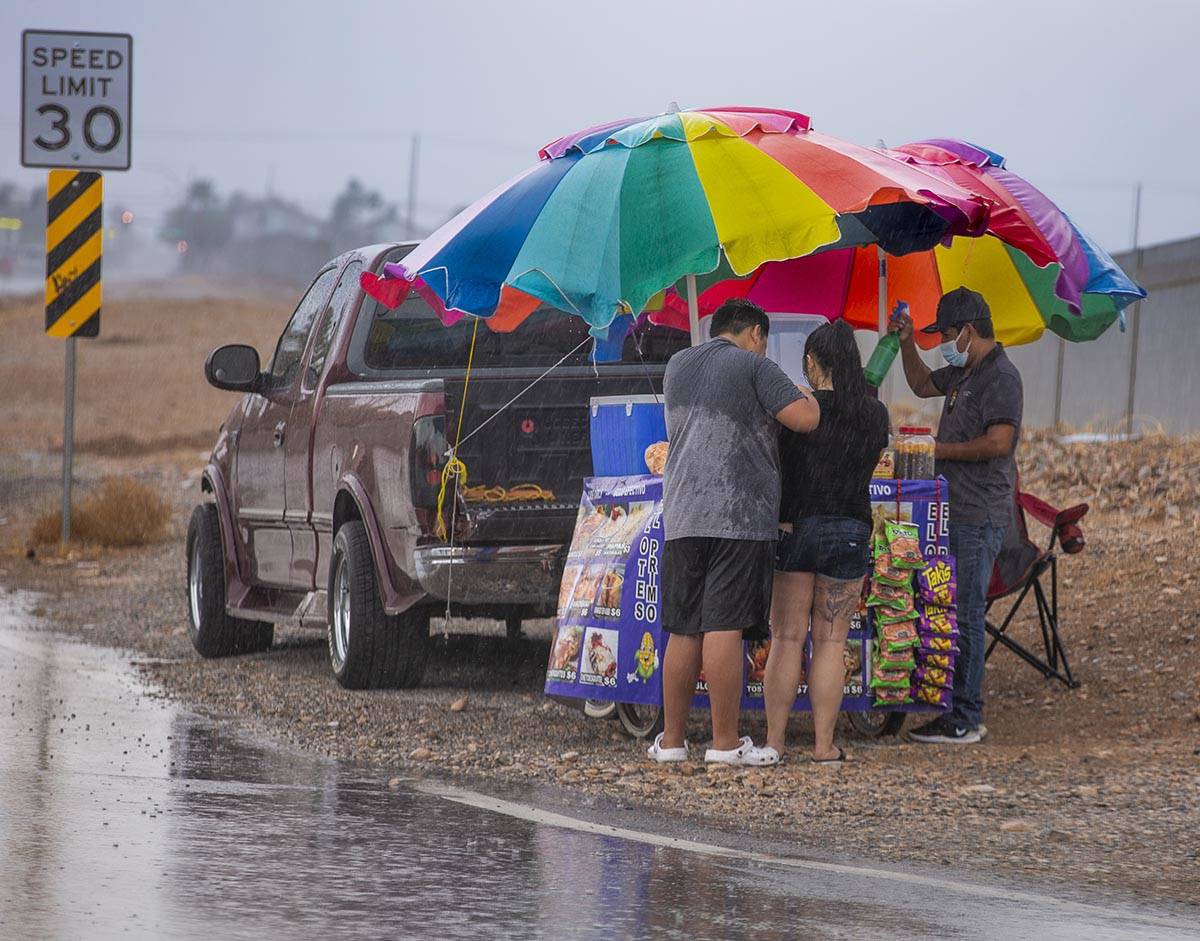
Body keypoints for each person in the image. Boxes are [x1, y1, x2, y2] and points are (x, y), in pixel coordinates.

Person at [648, 298, 820, 765]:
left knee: (683, 629)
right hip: (738, 516)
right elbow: (804, 419)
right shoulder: (753, 365)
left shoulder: (677, 365)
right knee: (722, 625)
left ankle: (672, 741)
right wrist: (807, 394)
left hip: (682, 514)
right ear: (756, 335)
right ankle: (724, 744)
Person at [891, 286, 1023, 744]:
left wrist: (937, 450)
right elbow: (922, 384)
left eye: (946, 334)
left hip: (979, 513)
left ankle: (966, 715)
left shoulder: (1000, 378)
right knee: (955, 608)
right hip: (957, 511)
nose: (943, 343)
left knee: (966, 612)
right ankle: (954, 706)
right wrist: (907, 341)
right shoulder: (964, 373)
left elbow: (999, 442)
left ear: (967, 331)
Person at [760, 320, 889, 765]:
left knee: (787, 636)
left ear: (813, 364)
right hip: (851, 529)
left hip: (796, 527)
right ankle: (822, 746)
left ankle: (775, 743)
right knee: (832, 640)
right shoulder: (875, 414)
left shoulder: (800, 410)